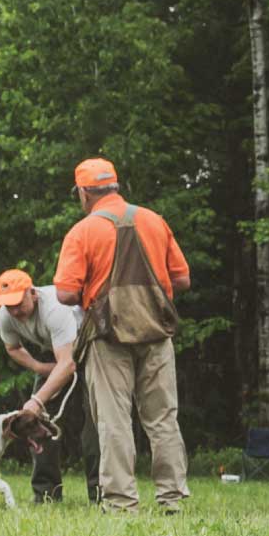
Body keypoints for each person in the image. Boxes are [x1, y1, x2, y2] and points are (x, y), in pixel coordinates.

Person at [53, 157, 190, 513]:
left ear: (84, 193)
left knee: (113, 420)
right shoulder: (154, 220)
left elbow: (65, 294)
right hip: (156, 331)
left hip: (107, 336)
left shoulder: (83, 231)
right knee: (162, 418)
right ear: (115, 186)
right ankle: (172, 499)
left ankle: (121, 503)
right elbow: (182, 279)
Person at [0, 267, 100, 503]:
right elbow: (12, 348)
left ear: (32, 293)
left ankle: (100, 494)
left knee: (95, 423)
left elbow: (68, 364)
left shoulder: (55, 307)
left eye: (18, 303)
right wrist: (39, 367)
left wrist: (36, 400)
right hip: (56, 354)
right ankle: (46, 495)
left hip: (90, 351)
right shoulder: (6, 315)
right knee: (37, 425)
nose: (14, 311)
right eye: (8, 305)